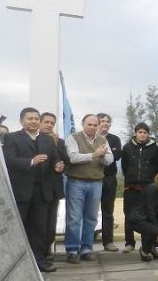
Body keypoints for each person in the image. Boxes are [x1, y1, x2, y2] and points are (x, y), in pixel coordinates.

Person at [3, 107, 64, 272]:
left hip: (42, 191)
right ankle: (15, 261)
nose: (34, 121)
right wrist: (31, 161)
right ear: (22, 121)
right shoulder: (11, 138)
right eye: (30, 118)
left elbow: (55, 160)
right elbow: (9, 161)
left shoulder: (47, 140)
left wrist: (58, 166)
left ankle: (39, 261)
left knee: (39, 228)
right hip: (21, 191)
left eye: (36, 119)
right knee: (19, 226)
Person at [64, 114, 114, 264]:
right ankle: (72, 249)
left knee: (91, 218)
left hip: (96, 183)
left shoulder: (102, 140)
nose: (92, 127)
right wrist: (94, 154)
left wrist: (102, 156)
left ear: (98, 126)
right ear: (83, 124)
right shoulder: (73, 138)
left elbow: (110, 160)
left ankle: (86, 249)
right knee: (74, 218)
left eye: (94, 125)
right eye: (89, 124)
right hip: (76, 182)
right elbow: (73, 157)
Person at [121, 122, 158, 252]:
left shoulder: (154, 147)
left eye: (145, 132)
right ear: (135, 133)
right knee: (129, 214)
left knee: (147, 216)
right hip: (131, 187)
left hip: (147, 187)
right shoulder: (127, 147)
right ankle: (129, 243)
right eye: (140, 132)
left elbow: (157, 166)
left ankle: (146, 245)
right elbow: (125, 166)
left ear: (148, 134)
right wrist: (130, 178)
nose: (142, 135)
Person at [126, 169, 158, 261]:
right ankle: (144, 250)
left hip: (144, 218)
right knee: (154, 230)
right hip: (137, 219)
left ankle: (151, 248)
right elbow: (150, 210)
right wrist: (157, 229)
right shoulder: (152, 188)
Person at [40, 112, 69, 260]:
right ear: (40, 122)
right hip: (37, 189)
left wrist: (56, 144)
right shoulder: (34, 139)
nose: (49, 125)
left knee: (51, 222)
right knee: (39, 222)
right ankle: (38, 252)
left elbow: (65, 162)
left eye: (52, 123)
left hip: (54, 188)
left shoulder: (60, 141)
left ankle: (47, 250)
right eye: (46, 122)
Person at [97, 113, 122, 252]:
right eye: (102, 121)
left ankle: (108, 242)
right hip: (93, 178)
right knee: (89, 212)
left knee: (108, 211)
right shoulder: (91, 138)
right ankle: (86, 244)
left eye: (107, 121)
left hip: (109, 178)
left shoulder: (114, 139)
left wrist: (105, 153)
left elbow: (117, 155)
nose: (105, 123)